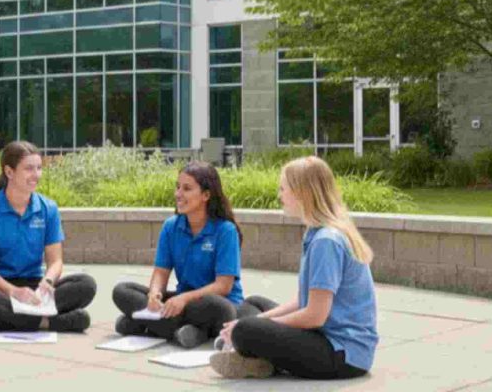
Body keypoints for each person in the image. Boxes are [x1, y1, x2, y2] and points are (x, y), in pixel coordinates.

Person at [211, 156, 378, 380]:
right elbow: (302, 301)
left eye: (283, 189)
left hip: (341, 354)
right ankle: (258, 359)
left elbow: (315, 316)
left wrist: (252, 326)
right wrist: (258, 321)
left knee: (245, 330)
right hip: (325, 336)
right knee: (252, 305)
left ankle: (256, 358)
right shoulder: (316, 232)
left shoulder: (326, 241)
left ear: (302, 193)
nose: (279, 195)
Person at [0, 140, 97, 333]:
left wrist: (47, 283)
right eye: (29, 169)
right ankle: (47, 322)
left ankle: (2, 320)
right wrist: (13, 292)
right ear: (9, 172)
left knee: (86, 285)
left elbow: (56, 262)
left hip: (35, 287)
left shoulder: (49, 209)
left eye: (39, 168)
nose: (36, 175)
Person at [112, 161, 244, 348]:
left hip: (215, 303)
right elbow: (161, 272)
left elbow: (223, 286)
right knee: (122, 291)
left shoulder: (225, 230)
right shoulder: (171, 227)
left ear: (206, 195)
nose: (178, 194)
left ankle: (146, 325)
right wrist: (155, 294)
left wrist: (184, 299)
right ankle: (189, 331)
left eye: (187, 189)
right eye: (177, 187)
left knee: (220, 308)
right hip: (180, 302)